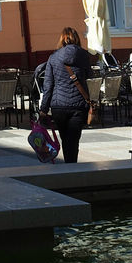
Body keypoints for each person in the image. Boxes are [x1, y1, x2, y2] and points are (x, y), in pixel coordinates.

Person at [38, 27, 94, 163]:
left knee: (65, 139)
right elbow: (89, 74)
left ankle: (68, 166)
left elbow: (48, 85)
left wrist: (43, 109)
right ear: (77, 39)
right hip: (79, 105)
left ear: (61, 39)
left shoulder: (53, 57)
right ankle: (72, 165)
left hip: (59, 105)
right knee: (74, 140)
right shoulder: (84, 55)